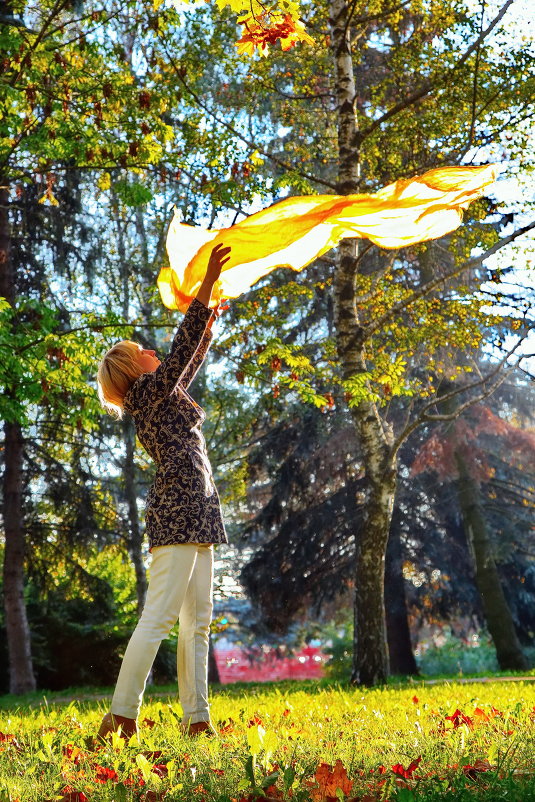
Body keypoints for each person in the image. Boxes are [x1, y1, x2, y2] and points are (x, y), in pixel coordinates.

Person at [95, 243, 231, 740]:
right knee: (160, 617)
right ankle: (121, 715)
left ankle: (197, 720)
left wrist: (209, 323)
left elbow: (185, 362)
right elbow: (178, 354)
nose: (153, 350)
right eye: (144, 351)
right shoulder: (149, 393)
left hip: (196, 506)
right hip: (179, 510)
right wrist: (207, 283)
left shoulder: (157, 395)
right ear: (136, 368)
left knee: (197, 623)